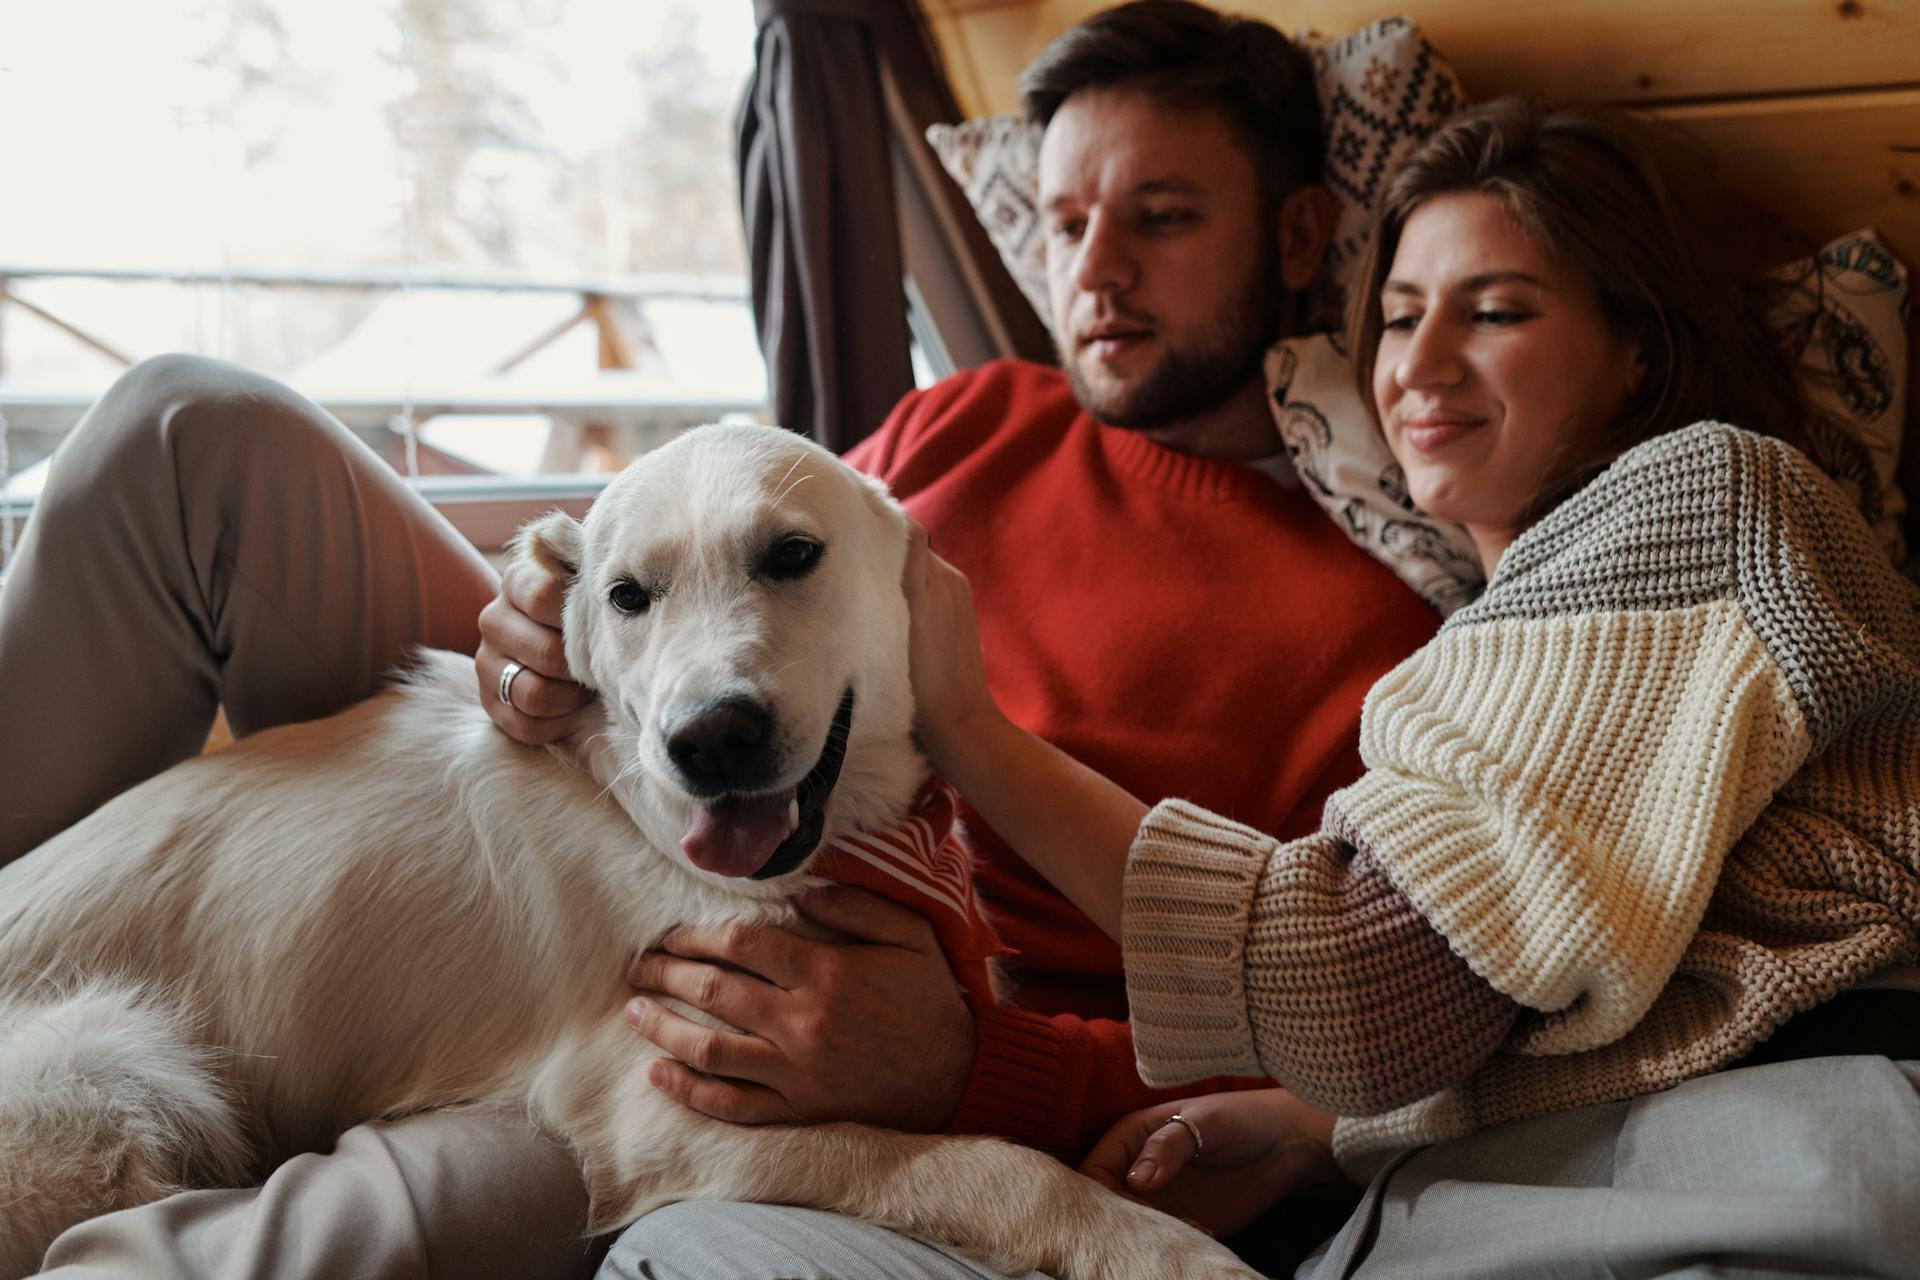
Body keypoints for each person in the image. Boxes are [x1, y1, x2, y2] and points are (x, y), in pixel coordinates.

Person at [0, 1, 1438, 1275]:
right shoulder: (977, 412)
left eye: (1164, 217)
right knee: (192, 431)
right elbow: (714, 559)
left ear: (1301, 234)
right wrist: (545, 613)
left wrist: (978, 1066)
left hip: (816, 987)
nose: (1099, 272)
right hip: (617, 792)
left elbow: (1334, 1019)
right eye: (1067, 225)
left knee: (486, 1193)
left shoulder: (1375, 622)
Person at [875, 97, 1920, 1277]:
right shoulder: (1472, 636)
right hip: (1537, 1172)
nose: (1417, 366)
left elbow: (1361, 987)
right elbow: (1550, 989)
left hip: (1780, 1150)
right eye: (1402, 316)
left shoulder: (1710, 500)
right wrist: (1317, 1135)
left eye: (1496, 312)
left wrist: (966, 725)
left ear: (1638, 350)